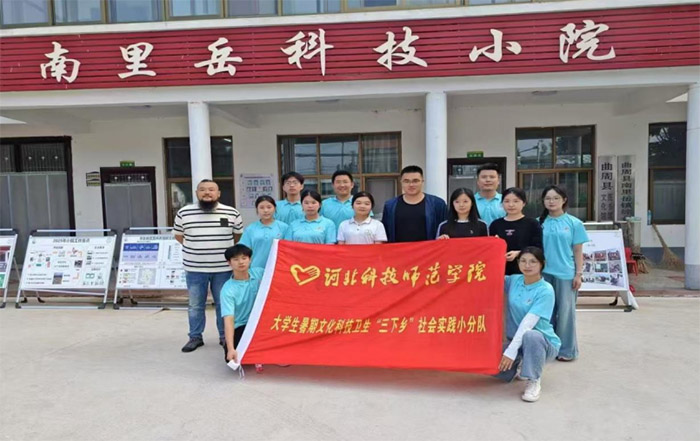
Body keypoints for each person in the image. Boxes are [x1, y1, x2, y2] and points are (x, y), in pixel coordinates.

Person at [173, 179, 243, 353]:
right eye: (202, 189)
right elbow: (179, 236)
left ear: (218, 193)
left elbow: (237, 236)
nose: (207, 193)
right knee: (195, 305)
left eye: (211, 189)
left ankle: (224, 337)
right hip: (195, 268)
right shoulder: (184, 213)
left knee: (224, 304)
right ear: (196, 193)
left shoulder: (231, 212)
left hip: (223, 269)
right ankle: (195, 337)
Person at [496, 247, 561, 403]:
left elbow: (527, 324)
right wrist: (496, 256)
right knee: (492, 368)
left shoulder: (545, 290)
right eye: (523, 261)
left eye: (533, 262)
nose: (527, 265)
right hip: (516, 342)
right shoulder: (514, 280)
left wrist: (510, 352)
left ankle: (534, 379)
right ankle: (521, 362)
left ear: (542, 264)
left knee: (531, 335)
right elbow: (488, 275)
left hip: (542, 343)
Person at [539, 185, 589, 361]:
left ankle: (567, 350)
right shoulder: (539, 223)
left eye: (556, 198)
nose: (551, 202)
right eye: (548, 198)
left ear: (564, 200)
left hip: (566, 274)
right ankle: (547, 348)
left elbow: (578, 250)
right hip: (542, 275)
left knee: (566, 314)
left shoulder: (574, 223)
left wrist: (578, 274)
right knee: (545, 313)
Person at [220, 244, 264, 373]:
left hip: (262, 322)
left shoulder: (260, 273)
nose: (241, 262)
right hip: (242, 326)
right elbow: (229, 320)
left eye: (244, 258)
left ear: (250, 259)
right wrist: (230, 348)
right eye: (236, 259)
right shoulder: (228, 290)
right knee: (232, 360)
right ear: (229, 263)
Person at [382, 165, 447, 242]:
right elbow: (385, 233)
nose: (411, 185)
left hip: (429, 249)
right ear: (401, 182)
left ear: (422, 181)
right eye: (406, 181)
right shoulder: (390, 206)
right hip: (399, 249)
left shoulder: (437, 204)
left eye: (415, 181)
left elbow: (445, 230)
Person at [489, 187, 543, 275]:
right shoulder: (495, 224)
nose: (511, 205)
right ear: (502, 203)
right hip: (501, 271)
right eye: (507, 201)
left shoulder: (532, 223)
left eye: (516, 201)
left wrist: (519, 253)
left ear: (524, 203)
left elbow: (538, 249)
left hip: (525, 271)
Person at [239, 195, 288, 270]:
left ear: (275, 208)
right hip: (256, 269)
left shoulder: (284, 227)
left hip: (278, 268)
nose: (265, 210)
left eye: (269, 207)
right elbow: (243, 250)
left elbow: (288, 249)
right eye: (261, 208)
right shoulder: (251, 228)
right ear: (257, 209)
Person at [475, 163, 506, 227]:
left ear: (499, 180)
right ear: (478, 181)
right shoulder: (470, 201)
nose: (488, 180)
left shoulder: (506, 200)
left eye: (492, 177)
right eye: (484, 177)